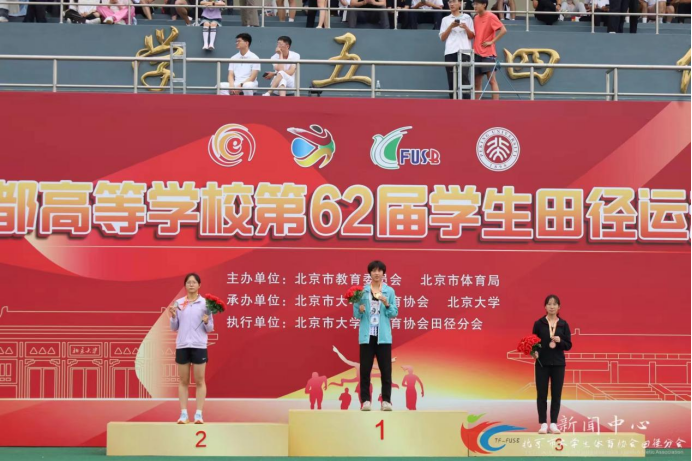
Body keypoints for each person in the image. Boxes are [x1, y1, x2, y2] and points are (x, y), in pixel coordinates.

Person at [168, 273, 214, 424]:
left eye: (194, 282)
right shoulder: (179, 303)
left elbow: (210, 328)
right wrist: (173, 316)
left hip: (199, 345)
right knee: (183, 380)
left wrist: (206, 321)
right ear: (185, 285)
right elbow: (174, 327)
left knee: (200, 380)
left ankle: (199, 414)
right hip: (182, 345)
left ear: (199, 285)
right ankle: (183, 414)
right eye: (188, 282)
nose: (191, 285)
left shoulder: (206, 304)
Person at [353, 260, 398, 411]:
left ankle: (386, 401)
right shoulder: (362, 291)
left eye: (379, 270)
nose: (377, 273)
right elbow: (356, 314)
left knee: (386, 370)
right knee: (365, 370)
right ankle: (365, 401)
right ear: (370, 273)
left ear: (383, 273)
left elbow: (394, 313)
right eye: (374, 270)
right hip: (367, 337)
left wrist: (386, 303)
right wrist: (359, 310)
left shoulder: (389, 291)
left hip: (383, 337)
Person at [532, 294, 572, 435]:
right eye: (549, 304)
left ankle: (554, 423)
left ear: (559, 307)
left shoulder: (563, 324)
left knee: (556, 394)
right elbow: (533, 343)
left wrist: (560, 341)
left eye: (554, 304)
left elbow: (569, 345)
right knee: (541, 394)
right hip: (542, 363)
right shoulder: (539, 323)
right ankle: (543, 424)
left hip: (558, 364)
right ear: (545, 306)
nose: (552, 306)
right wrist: (534, 352)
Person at [439, 0, 475, 99]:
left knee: (464, 77)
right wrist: (451, 26)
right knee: (451, 80)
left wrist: (466, 28)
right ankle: (453, 102)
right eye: (450, 2)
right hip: (450, 51)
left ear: (460, 3)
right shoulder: (445, 19)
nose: (451, 4)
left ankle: (466, 102)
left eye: (454, 1)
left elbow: (471, 36)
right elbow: (442, 38)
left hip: (465, 51)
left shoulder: (467, 17)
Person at [473, 0, 506, 100]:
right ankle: (476, 105)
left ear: (484, 5)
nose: (475, 6)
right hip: (476, 53)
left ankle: (495, 105)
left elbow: (503, 30)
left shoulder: (491, 16)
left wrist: (492, 41)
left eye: (477, 4)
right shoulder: (475, 18)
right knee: (477, 82)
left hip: (488, 54)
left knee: (491, 80)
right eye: (474, 4)